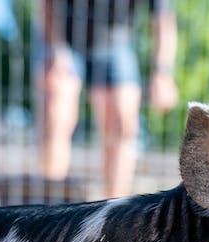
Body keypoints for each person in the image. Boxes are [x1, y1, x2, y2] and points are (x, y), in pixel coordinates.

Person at [38, 0, 178, 199]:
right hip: (63, 38)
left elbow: (163, 19)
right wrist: (56, 51)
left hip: (115, 42)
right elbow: (47, 5)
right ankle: (49, 206)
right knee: (57, 107)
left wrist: (163, 74)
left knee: (124, 123)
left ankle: (114, 211)